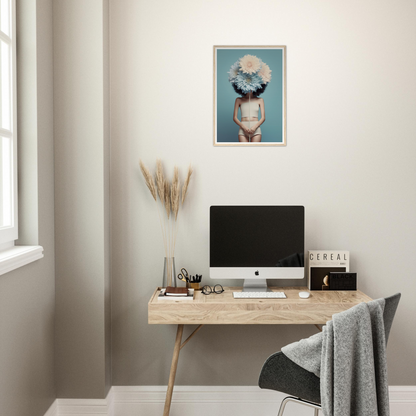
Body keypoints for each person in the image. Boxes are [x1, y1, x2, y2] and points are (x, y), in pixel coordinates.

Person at [228, 54, 271, 143]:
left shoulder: (260, 100)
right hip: (243, 129)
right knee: (243, 153)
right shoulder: (238, 100)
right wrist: (243, 127)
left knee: (255, 153)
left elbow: (263, 118)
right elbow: (235, 118)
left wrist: (255, 127)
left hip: (256, 129)